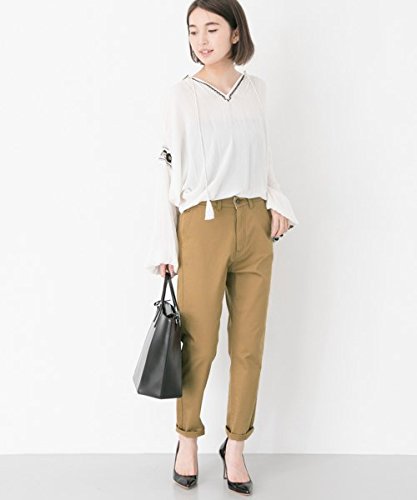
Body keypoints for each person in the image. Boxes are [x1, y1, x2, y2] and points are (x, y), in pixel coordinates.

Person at [144, 0, 299, 494]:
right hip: (202, 223)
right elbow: (166, 172)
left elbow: (264, 157)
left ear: (236, 33)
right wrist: (165, 244)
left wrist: (277, 202)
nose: (201, 39)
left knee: (249, 345)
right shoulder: (181, 96)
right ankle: (187, 438)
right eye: (193, 30)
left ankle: (236, 445)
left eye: (212, 28)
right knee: (200, 344)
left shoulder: (257, 90)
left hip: (253, 222)